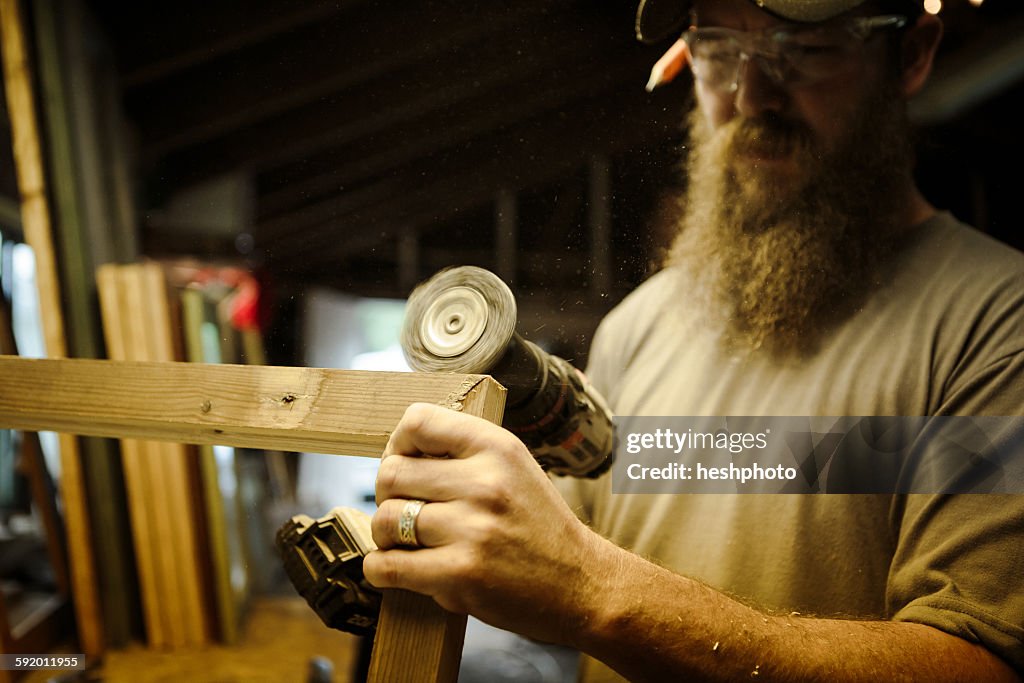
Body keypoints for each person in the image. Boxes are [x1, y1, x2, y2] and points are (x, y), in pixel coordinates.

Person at [363, 0, 1024, 679]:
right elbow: (541, 578)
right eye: (718, 50)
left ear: (911, 54)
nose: (752, 92)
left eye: (806, 49)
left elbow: (981, 663)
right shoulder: (638, 327)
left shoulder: (998, 323)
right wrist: (421, 546)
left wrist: (595, 590)